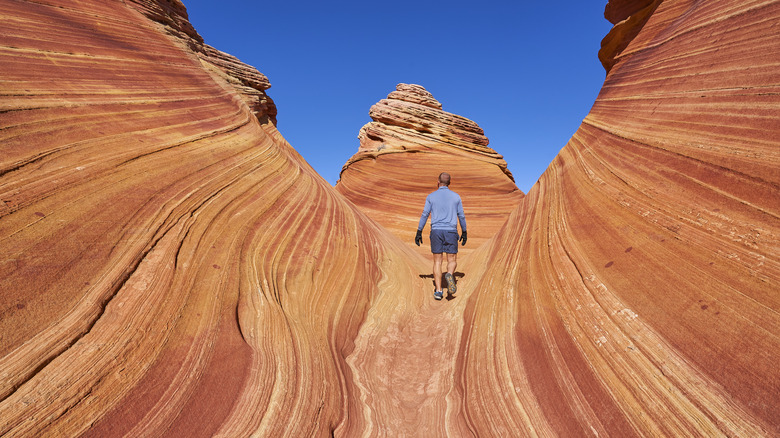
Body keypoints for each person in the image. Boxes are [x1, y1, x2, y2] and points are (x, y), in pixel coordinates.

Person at [415, 172, 467, 300]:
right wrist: (464, 231)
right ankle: (449, 274)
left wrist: (419, 231)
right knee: (452, 260)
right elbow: (461, 215)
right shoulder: (456, 197)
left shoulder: (431, 197)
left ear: (438, 182)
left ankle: (438, 291)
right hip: (450, 231)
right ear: (450, 183)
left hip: (436, 231)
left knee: (437, 261)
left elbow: (425, 214)